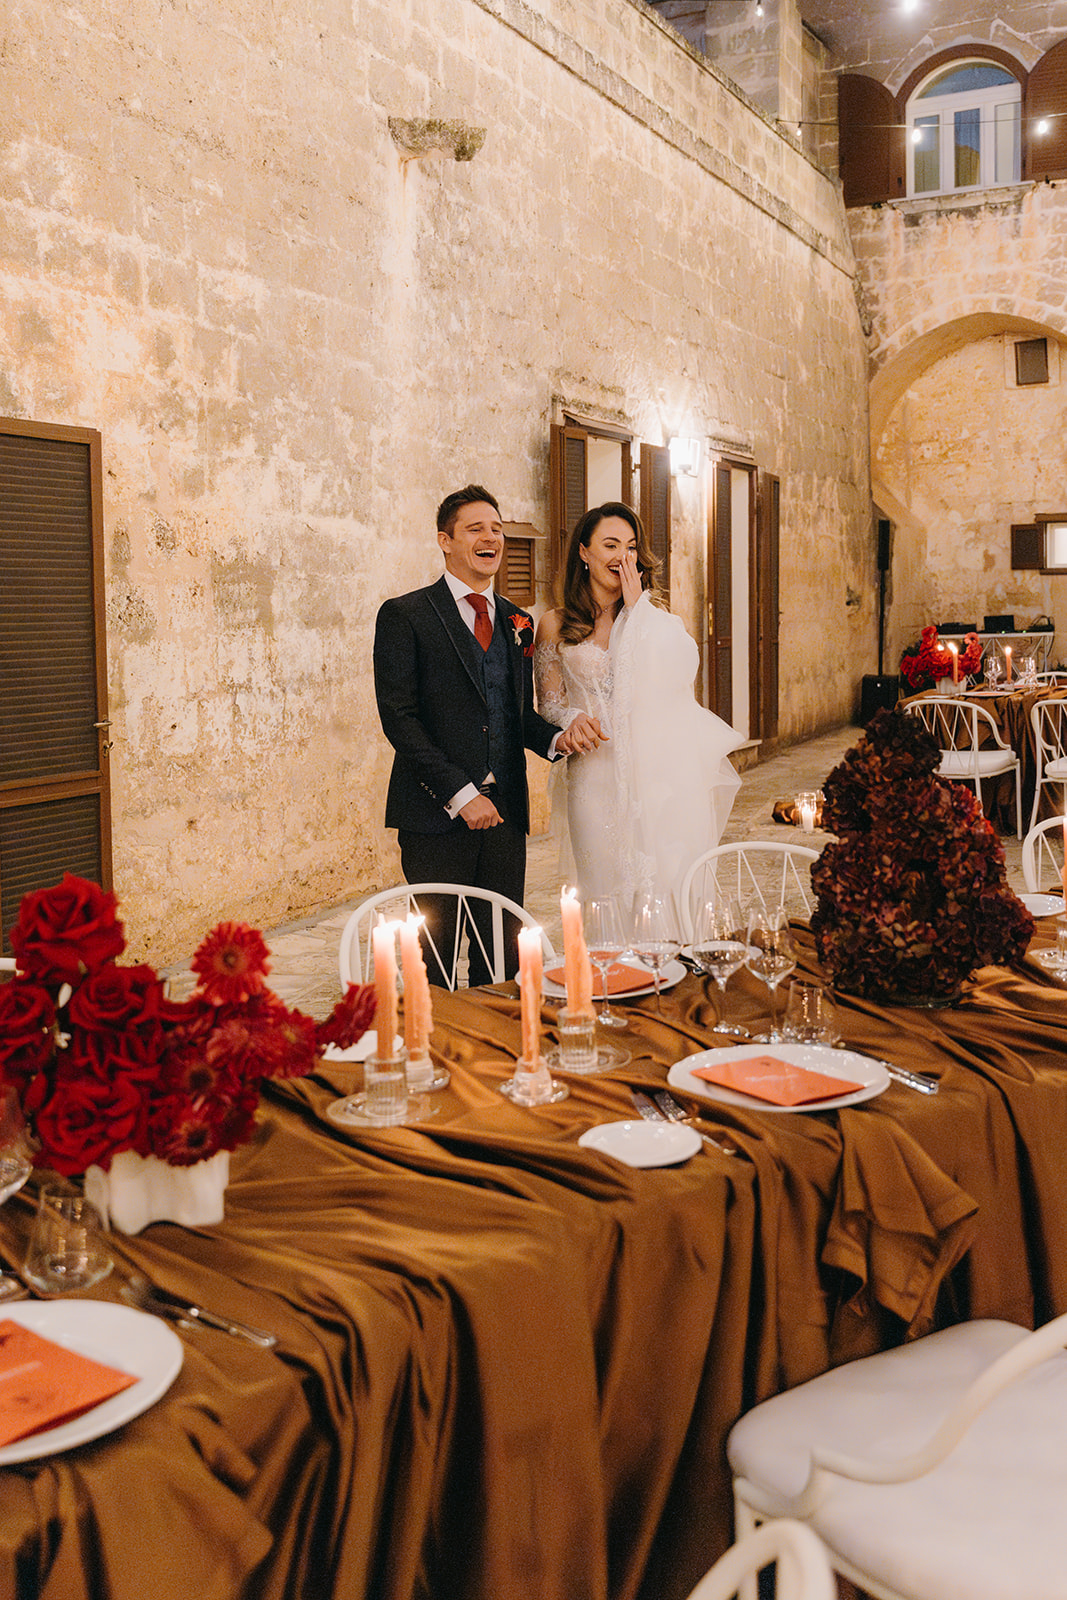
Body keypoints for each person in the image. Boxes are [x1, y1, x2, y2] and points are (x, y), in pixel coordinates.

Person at [374, 485, 596, 985]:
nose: (491, 538)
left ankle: (494, 1035)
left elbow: (515, 714)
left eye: (497, 529)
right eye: (475, 529)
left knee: (501, 959)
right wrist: (461, 793)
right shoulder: (405, 615)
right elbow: (400, 719)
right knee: (434, 960)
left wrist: (558, 738)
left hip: (505, 817)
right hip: (435, 817)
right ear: (445, 541)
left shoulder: (518, 621)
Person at [534, 501, 743, 914]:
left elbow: (682, 676)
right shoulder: (555, 623)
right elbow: (550, 705)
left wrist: (638, 611)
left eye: (631, 547)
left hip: (656, 774)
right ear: (583, 552)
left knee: (661, 883)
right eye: (610, 545)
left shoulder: (655, 621)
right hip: (592, 776)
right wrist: (574, 719)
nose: (623, 556)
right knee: (602, 894)